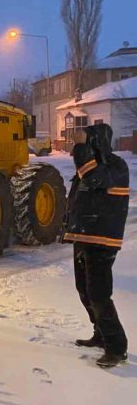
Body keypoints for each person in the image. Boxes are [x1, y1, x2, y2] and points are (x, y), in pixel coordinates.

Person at [62, 123, 130, 368]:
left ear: (97, 142)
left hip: (103, 240)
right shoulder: (90, 165)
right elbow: (78, 199)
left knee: (99, 294)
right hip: (84, 237)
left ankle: (116, 347)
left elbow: (92, 179)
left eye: (87, 141)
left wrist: (81, 147)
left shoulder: (115, 166)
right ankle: (101, 333)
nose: (80, 146)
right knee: (84, 290)